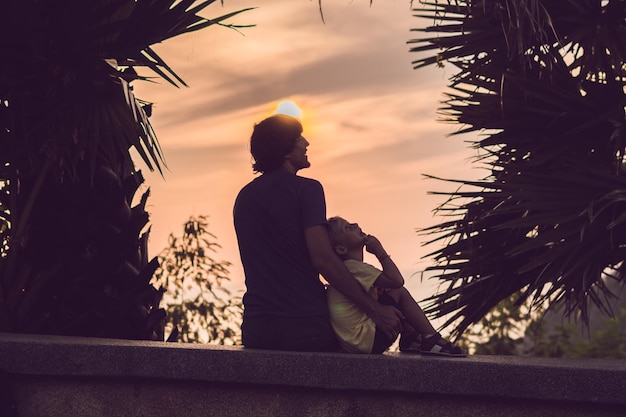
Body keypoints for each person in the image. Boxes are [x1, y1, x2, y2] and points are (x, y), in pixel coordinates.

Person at [233, 114, 404, 352]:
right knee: (394, 292)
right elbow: (323, 259)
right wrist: (374, 309)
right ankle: (425, 339)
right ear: (285, 150)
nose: (306, 143)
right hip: (305, 325)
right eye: (299, 138)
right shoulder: (308, 190)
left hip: (257, 328)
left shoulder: (245, 197)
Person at [327, 216, 466, 356]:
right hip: (368, 339)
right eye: (347, 228)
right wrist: (379, 252)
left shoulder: (348, 270)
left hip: (358, 343)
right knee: (397, 291)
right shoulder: (354, 267)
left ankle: (411, 338)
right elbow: (397, 281)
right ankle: (431, 338)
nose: (355, 224)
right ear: (341, 249)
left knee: (385, 291)